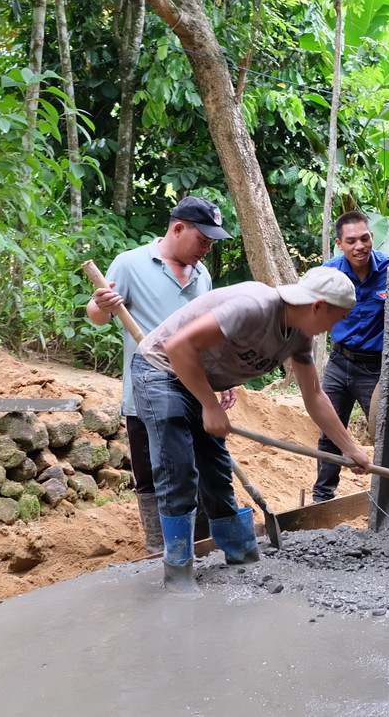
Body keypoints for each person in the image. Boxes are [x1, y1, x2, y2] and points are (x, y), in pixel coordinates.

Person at [132, 267, 372, 591]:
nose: (335, 326)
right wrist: (210, 404)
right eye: (337, 317)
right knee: (179, 473)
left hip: (195, 379)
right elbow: (177, 347)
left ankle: (242, 558)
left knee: (216, 472)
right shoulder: (254, 307)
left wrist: (349, 448)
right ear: (318, 307)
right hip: (159, 370)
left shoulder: (300, 335)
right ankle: (178, 576)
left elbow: (314, 395)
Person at [85, 196, 233, 553]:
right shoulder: (131, 263)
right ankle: (161, 546)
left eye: (212, 242)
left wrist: (224, 380)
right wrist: (100, 304)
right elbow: (98, 313)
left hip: (195, 391)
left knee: (200, 467)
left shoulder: (203, 276)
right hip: (147, 393)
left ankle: (199, 542)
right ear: (178, 228)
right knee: (154, 473)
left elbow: (208, 336)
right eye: (203, 239)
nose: (207, 248)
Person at [311, 210, 389, 503]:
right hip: (339, 364)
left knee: (386, 435)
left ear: (372, 237)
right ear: (340, 244)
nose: (359, 246)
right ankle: (322, 498)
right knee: (329, 434)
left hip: (377, 370)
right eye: (351, 241)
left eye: (364, 239)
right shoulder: (329, 274)